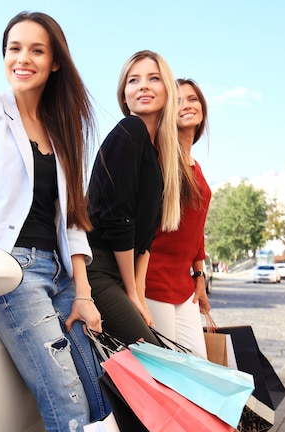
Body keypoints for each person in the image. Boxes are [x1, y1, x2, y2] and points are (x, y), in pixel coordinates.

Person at [0, 11, 108, 431]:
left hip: (61, 275)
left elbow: (72, 222)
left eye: (36, 50)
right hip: (8, 273)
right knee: (69, 409)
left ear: (55, 62)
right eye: (15, 48)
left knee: (102, 397)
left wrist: (83, 293)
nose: (22, 58)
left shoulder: (63, 129)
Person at [86, 50, 181, 346]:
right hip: (98, 269)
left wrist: (138, 293)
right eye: (133, 80)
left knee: (155, 362)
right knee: (155, 361)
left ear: (167, 90)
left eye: (153, 78)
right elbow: (118, 219)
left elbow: (146, 239)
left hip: (118, 275)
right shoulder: (131, 130)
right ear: (124, 96)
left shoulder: (157, 155)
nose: (143, 86)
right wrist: (131, 292)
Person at [144, 78, 212, 358]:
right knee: (169, 374)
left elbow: (196, 230)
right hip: (153, 280)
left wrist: (199, 275)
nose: (187, 105)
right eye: (179, 100)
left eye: (193, 99)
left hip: (184, 285)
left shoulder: (195, 165)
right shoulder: (159, 159)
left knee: (199, 365)